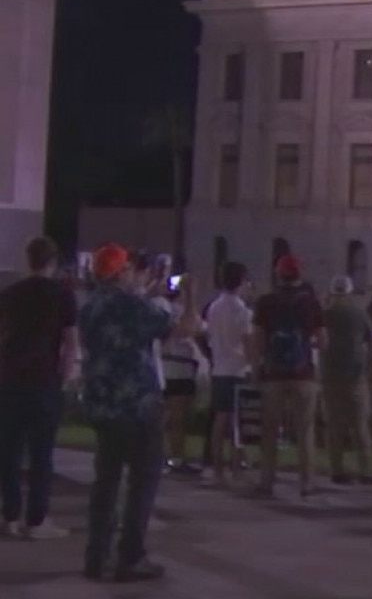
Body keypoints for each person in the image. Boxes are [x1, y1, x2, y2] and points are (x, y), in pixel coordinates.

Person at [79, 243, 196, 581]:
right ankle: (131, 556)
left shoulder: (90, 306)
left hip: (103, 403)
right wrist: (189, 295)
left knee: (106, 480)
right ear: (121, 272)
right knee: (143, 480)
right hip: (138, 404)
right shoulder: (132, 306)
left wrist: (148, 291)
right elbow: (184, 328)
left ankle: (96, 554)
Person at [0, 236, 79, 540]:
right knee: (41, 453)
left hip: (10, 379)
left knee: (9, 451)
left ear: (29, 259)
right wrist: (65, 377)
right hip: (44, 380)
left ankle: (9, 514)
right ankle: (36, 519)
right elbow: (70, 343)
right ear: (53, 262)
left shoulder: (10, 294)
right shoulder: (63, 296)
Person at [252, 254, 326, 498]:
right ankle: (307, 482)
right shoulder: (311, 303)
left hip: (273, 374)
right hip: (303, 374)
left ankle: (266, 480)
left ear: (278, 274)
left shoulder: (266, 302)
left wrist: (258, 366)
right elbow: (323, 341)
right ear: (300, 274)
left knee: (270, 430)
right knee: (305, 430)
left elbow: (258, 339)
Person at [321, 275, 372, 484]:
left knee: (334, 426)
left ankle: (336, 470)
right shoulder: (359, 314)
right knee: (360, 426)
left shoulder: (325, 315)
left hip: (330, 376)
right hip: (356, 376)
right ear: (350, 292)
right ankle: (366, 471)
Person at [205, 262, 253, 487]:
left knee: (220, 420)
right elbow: (248, 341)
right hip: (237, 369)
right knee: (236, 424)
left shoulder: (213, 307)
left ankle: (217, 469)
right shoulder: (243, 311)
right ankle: (236, 468)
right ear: (241, 282)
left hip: (219, 368)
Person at [158, 276, 206, 475]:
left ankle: (174, 457)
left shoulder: (173, 308)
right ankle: (172, 458)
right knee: (175, 417)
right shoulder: (167, 309)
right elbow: (188, 329)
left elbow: (200, 329)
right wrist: (190, 296)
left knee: (178, 417)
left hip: (182, 366)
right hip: (174, 366)